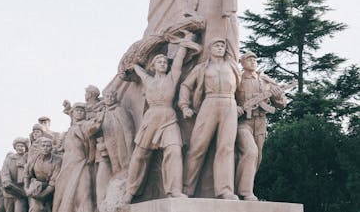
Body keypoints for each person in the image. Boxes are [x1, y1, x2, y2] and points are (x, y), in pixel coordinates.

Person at [123, 33, 197, 203]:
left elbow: (178, 60)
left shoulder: (172, 77)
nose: (163, 64)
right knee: (140, 155)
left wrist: (184, 44)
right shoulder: (148, 80)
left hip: (168, 117)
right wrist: (133, 66)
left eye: (165, 62)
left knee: (174, 150)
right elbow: (138, 70)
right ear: (154, 65)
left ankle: (174, 190)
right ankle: (130, 192)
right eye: (160, 62)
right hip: (151, 118)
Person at [178, 37, 240, 199]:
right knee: (198, 146)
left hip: (229, 103)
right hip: (209, 103)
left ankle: (225, 190)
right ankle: (186, 188)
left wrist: (240, 104)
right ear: (210, 49)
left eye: (222, 46)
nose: (220, 48)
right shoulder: (202, 68)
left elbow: (240, 88)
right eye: (216, 45)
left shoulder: (232, 66)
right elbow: (186, 85)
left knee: (226, 148)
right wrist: (184, 106)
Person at [235, 51, 287, 201]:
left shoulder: (265, 80)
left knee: (257, 158)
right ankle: (245, 192)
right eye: (248, 60)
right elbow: (227, 96)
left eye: (254, 60)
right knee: (250, 152)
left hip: (260, 122)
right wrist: (236, 107)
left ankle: (245, 188)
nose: (252, 62)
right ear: (242, 63)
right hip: (243, 122)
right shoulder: (237, 79)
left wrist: (277, 95)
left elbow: (282, 103)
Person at [52, 103, 103, 212]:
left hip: (81, 163)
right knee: (65, 190)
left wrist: (100, 118)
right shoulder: (72, 127)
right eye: (77, 110)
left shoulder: (85, 124)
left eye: (82, 110)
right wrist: (68, 110)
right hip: (67, 165)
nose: (79, 112)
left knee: (83, 191)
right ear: (73, 113)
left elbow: (93, 127)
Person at [96, 89, 135, 208]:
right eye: (107, 96)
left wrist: (130, 147)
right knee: (116, 167)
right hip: (110, 144)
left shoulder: (119, 110)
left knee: (124, 165)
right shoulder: (103, 112)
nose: (109, 98)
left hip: (121, 143)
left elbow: (128, 129)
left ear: (115, 97)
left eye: (111, 95)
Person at [24, 137, 62, 212]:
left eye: (48, 146)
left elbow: (53, 183)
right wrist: (26, 188)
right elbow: (26, 174)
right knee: (35, 209)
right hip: (36, 188)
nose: (45, 148)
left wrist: (42, 196)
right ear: (39, 147)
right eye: (43, 146)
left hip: (52, 190)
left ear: (51, 148)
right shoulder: (34, 158)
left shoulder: (57, 160)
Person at [0, 137, 29, 212]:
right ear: (15, 147)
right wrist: (7, 181)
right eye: (18, 146)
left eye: (22, 146)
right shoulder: (9, 158)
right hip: (10, 189)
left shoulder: (28, 158)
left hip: (21, 190)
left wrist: (24, 166)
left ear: (25, 148)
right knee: (9, 209)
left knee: (20, 209)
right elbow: (4, 171)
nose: (20, 148)